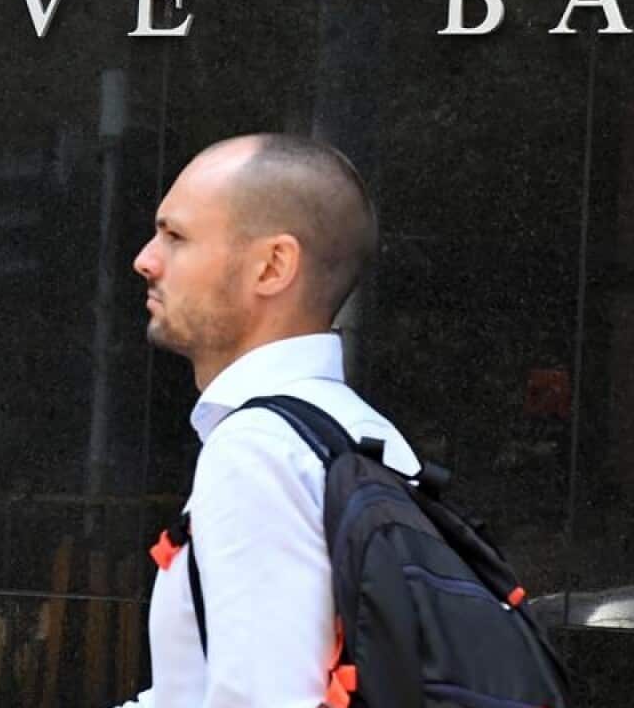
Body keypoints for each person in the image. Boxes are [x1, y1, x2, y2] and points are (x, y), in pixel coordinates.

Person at [116, 133, 422, 708]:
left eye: (176, 237)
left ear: (272, 266)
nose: (146, 260)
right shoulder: (364, 436)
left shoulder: (259, 451)